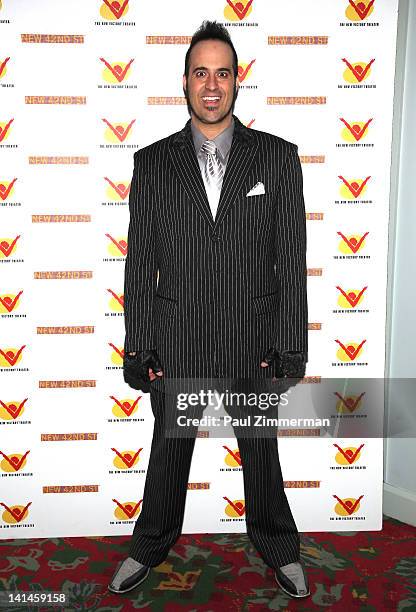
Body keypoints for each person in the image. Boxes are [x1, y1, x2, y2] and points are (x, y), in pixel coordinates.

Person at [108, 20, 310, 599]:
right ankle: (148, 546)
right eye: (201, 73)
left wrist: (288, 346)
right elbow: (140, 264)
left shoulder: (277, 158)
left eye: (223, 72)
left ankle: (279, 547)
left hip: (254, 342)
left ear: (237, 81)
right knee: (167, 461)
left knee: (262, 460)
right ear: (185, 83)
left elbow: (289, 261)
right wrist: (141, 347)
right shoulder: (151, 164)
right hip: (179, 340)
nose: (212, 84)